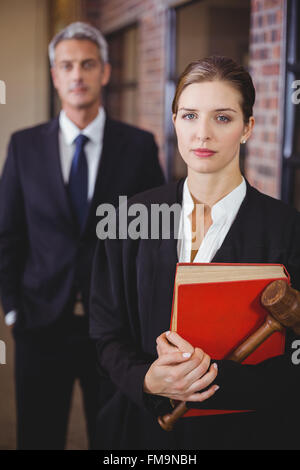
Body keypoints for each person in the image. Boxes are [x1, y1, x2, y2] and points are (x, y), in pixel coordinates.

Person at [89, 55, 300, 450]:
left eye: (222, 118)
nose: (202, 134)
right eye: (189, 116)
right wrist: (146, 379)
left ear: (247, 128)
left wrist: (213, 379)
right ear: (174, 123)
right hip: (142, 434)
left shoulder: (288, 229)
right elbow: (105, 333)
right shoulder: (128, 219)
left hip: (248, 436)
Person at [0, 22, 164, 450]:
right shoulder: (23, 146)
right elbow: (7, 233)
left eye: (87, 64)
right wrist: (13, 309)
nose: (77, 75)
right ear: (55, 75)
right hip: (39, 324)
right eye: (67, 66)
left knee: (115, 437)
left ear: (105, 72)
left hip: (116, 329)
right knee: (38, 434)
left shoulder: (140, 147)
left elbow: (156, 239)